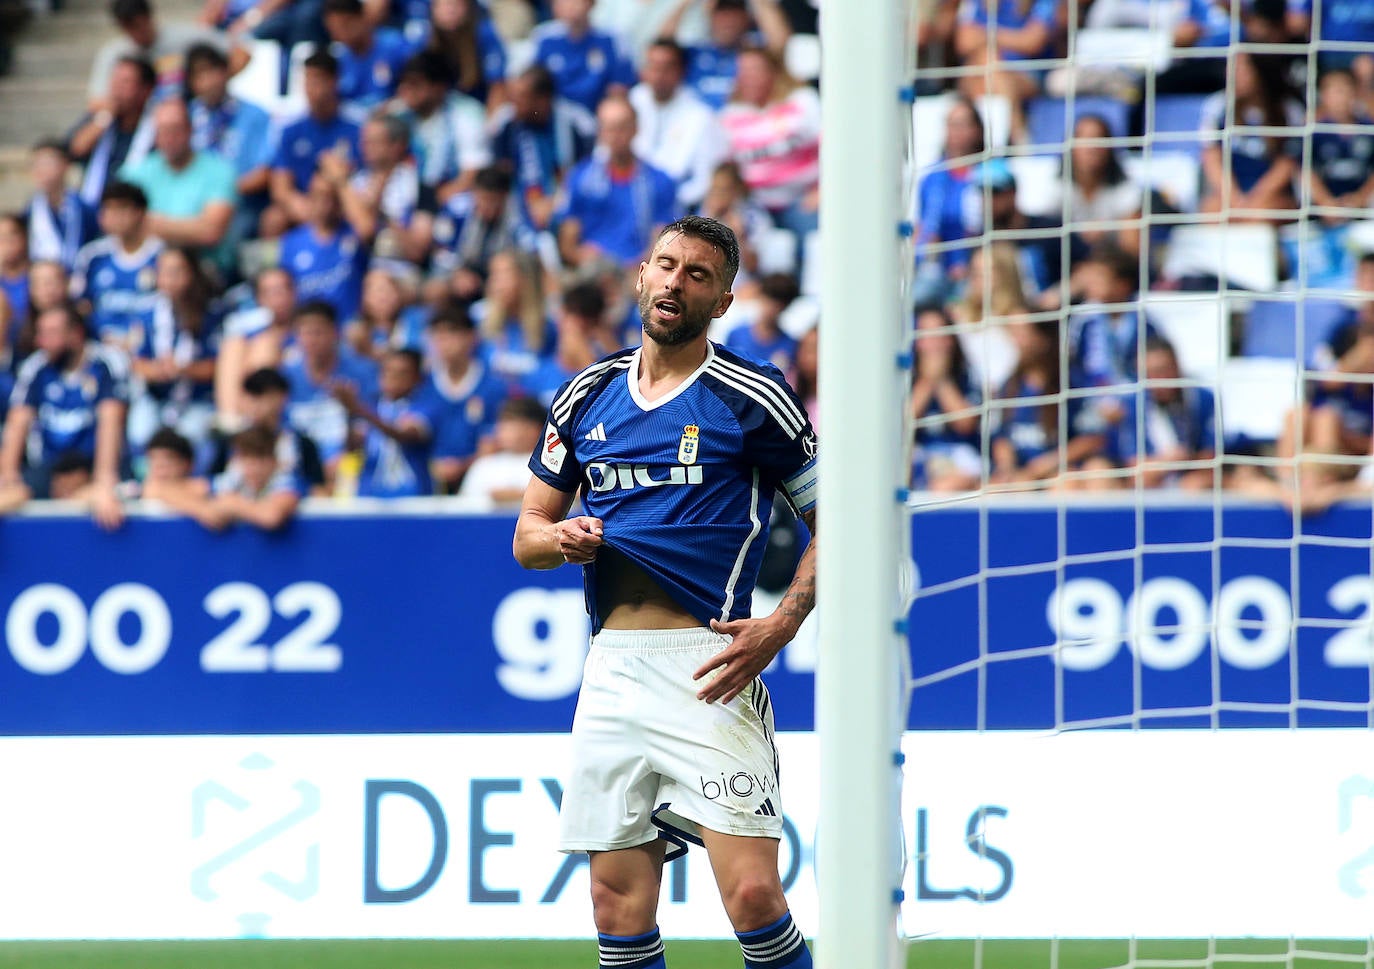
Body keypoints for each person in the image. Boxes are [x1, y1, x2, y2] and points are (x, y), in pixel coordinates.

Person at [513, 215, 818, 969]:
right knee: (615, 901)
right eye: (667, 264)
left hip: (709, 664)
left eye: (699, 274)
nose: (677, 281)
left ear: (723, 300)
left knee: (751, 895)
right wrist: (563, 537)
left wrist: (781, 622)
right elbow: (527, 533)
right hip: (612, 664)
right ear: (641, 276)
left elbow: (842, 523)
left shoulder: (753, 395)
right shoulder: (586, 394)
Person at [0, 304, 129, 528]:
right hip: (50, 468)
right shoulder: (36, 367)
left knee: (107, 496)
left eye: (51, 333)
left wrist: (104, 479)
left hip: (90, 466)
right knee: (14, 496)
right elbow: (18, 422)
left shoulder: (105, 363)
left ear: (75, 334)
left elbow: (111, 421)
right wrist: (8, 475)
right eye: (40, 333)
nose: (41, 342)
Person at [555, 96, 682, 271]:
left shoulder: (659, 181)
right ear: (600, 132)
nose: (616, 136)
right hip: (591, 272)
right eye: (609, 129)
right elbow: (568, 241)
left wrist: (638, 268)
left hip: (637, 274)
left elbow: (662, 241)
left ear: (636, 129)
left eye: (622, 127)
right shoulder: (581, 178)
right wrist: (582, 257)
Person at [118, 97, 238, 266]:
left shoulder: (220, 171)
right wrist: (189, 227)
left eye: (175, 129)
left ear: (190, 130)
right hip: (144, 266)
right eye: (162, 131)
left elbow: (211, 231)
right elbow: (116, 222)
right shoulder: (134, 172)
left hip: (202, 267)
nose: (169, 137)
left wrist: (146, 222)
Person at [264, 48, 363, 235]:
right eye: (307, 80)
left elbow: (365, 178)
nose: (311, 87)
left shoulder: (358, 127)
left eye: (318, 79)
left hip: (344, 206)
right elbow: (281, 187)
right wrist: (304, 208)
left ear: (334, 81)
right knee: (273, 218)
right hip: (306, 206)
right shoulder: (290, 129)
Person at [488, 64, 598, 231]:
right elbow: (500, 175)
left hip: (568, 207)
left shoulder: (579, 125)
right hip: (517, 209)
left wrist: (555, 202)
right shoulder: (505, 124)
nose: (514, 102)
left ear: (543, 99)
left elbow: (588, 175)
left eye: (522, 96)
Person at [1199, 51, 1303, 221]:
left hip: (1271, 193)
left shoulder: (1289, 110)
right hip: (1231, 191)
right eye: (1231, 68)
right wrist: (1234, 198)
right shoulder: (1217, 106)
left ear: (1259, 71)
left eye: (1241, 69)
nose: (1233, 75)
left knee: (1259, 215)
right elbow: (1212, 158)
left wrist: (1255, 198)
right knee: (1211, 212)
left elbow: (1287, 163)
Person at [629, 37, 728, 210]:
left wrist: (670, 201)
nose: (659, 75)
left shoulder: (700, 115)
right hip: (627, 199)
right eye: (653, 67)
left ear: (681, 71)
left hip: (677, 208)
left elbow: (705, 178)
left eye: (666, 68)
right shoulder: (630, 103)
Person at [88, 0, 247, 105]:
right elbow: (96, 101)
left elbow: (241, 54)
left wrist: (211, 85)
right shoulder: (114, 54)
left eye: (139, 25)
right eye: (129, 28)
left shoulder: (184, 37)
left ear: (149, 16)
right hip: (139, 124)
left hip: (186, 113)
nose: (137, 33)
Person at [70, 180, 164, 355]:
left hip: (151, 354)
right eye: (108, 209)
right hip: (100, 354)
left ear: (140, 212)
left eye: (122, 209)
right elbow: (80, 307)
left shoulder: (162, 255)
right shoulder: (92, 256)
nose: (114, 216)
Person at [423, 300, 507, 492]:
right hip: (430, 482)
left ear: (471, 337)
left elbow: (493, 441)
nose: (444, 343)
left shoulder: (493, 387)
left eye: (451, 333)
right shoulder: (423, 384)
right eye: (438, 335)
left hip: (478, 482)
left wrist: (462, 467)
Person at [335, 346, 436, 496]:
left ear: (417, 378)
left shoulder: (425, 406)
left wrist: (359, 410)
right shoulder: (373, 405)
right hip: (370, 494)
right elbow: (352, 446)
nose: (392, 377)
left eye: (402, 373)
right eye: (387, 371)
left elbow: (403, 434)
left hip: (412, 495)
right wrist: (348, 412)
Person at [67, 55, 157, 207]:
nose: (116, 88)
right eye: (114, 80)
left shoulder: (157, 126)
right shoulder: (100, 118)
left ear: (146, 90)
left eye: (125, 82)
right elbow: (74, 150)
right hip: (96, 209)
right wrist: (104, 119)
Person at [529, 0, 636, 113]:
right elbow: (534, 86)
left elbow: (619, 89)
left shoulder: (611, 39)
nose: (570, 6)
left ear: (592, 4)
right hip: (555, 118)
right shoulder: (543, 38)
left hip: (597, 115)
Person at [23, 140, 100, 272]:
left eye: (47, 163)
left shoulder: (86, 209)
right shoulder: (30, 211)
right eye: (36, 164)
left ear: (66, 165)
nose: (41, 170)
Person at [210, 423, 302, 529]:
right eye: (249, 460)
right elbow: (189, 492)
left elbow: (271, 517)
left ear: (275, 461)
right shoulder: (232, 479)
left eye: (262, 460)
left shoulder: (287, 481)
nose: (255, 468)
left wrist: (231, 503)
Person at [457, 394, 542, 508]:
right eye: (502, 423)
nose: (501, 429)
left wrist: (517, 496)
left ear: (534, 429)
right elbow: (463, 508)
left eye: (511, 423)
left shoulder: (549, 464)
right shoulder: (484, 465)